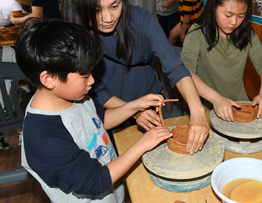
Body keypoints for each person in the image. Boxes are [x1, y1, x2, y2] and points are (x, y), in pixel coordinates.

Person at [61, 0, 208, 154]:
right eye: (96, 10)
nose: (108, 18)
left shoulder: (142, 20)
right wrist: (132, 110)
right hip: (107, 112)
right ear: (78, 6)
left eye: (115, 5)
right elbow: (99, 91)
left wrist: (197, 110)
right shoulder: (74, 37)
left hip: (148, 99)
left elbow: (174, 66)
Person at [16, 18, 172, 202]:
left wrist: (134, 106)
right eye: (84, 75)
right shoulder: (42, 137)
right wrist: (144, 144)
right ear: (49, 79)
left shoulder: (74, 97)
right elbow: (96, 180)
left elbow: (100, 119)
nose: (92, 81)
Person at [180, 0, 262, 122]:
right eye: (228, 15)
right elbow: (186, 73)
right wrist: (216, 99)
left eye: (241, 16)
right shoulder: (197, 33)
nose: (234, 22)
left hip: (239, 106)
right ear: (213, 7)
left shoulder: (247, 34)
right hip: (205, 109)